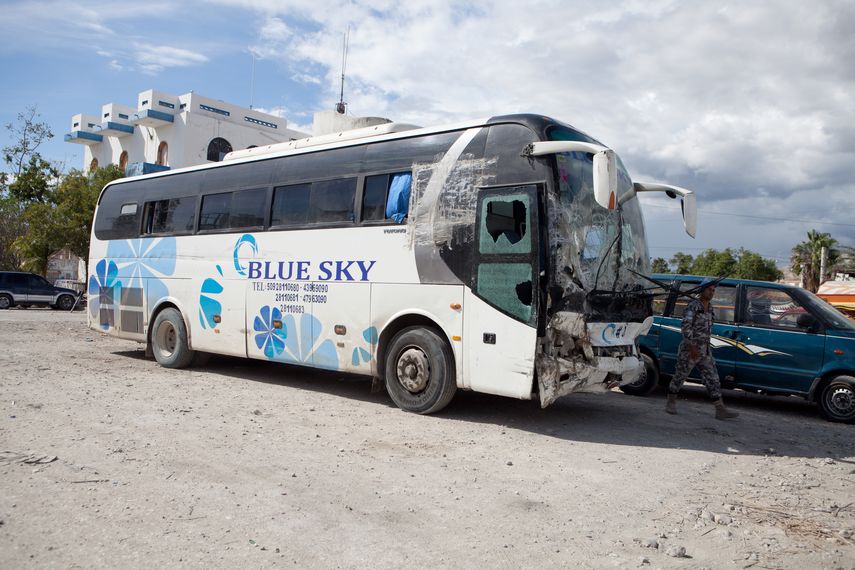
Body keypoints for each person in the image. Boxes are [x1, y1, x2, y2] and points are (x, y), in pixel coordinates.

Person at [665, 278, 739, 420]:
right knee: (680, 377)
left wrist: (703, 348)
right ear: (702, 290)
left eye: (713, 290)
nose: (711, 293)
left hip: (704, 351)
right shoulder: (693, 306)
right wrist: (692, 347)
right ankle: (671, 401)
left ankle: (720, 409)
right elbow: (686, 328)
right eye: (709, 290)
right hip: (690, 350)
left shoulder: (710, 308)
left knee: (713, 379)